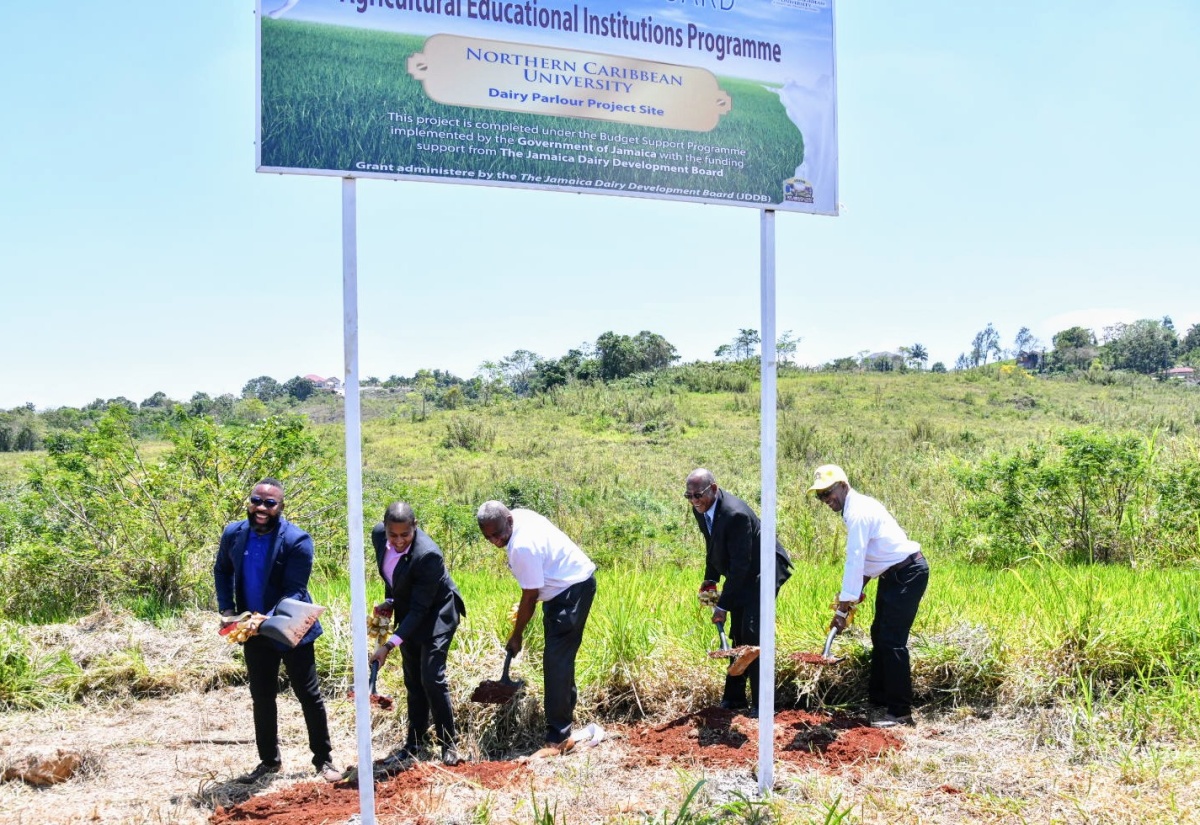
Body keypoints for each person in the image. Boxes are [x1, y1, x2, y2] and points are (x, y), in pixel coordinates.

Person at [213, 478, 342, 783]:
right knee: (262, 695)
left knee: (308, 694)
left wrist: (264, 618)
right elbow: (222, 569)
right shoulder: (234, 534)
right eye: (256, 500)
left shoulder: (297, 540)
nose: (261, 508)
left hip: (291, 628)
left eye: (270, 503)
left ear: (281, 508)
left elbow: (295, 591)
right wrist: (227, 609)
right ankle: (269, 761)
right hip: (253, 632)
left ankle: (323, 760)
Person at [808, 464, 929, 728]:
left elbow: (855, 560)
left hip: (907, 573)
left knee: (891, 639)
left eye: (828, 493)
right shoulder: (853, 509)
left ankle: (900, 712)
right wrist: (851, 598)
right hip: (892, 573)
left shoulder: (859, 513)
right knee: (879, 634)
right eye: (820, 496)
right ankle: (879, 700)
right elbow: (870, 559)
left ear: (843, 486)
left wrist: (843, 605)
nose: (826, 500)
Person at [475, 500, 597, 753]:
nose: (495, 541)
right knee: (560, 659)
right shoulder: (519, 517)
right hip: (567, 587)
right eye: (488, 537)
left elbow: (530, 596)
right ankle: (563, 718)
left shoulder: (521, 546)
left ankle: (559, 738)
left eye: (498, 533)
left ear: (509, 520)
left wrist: (516, 634)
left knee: (556, 661)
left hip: (570, 592)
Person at [686, 468, 793, 718]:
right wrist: (710, 581)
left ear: (713, 488)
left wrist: (722, 606)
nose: (694, 500)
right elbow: (712, 548)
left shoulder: (735, 514)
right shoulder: (701, 509)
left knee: (753, 633)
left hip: (764, 569)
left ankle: (762, 703)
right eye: (688, 496)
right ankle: (734, 699)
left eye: (698, 494)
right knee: (737, 632)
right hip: (743, 570)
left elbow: (741, 565)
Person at [368, 501, 466, 766]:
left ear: (415, 527)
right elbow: (394, 576)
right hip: (409, 611)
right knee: (413, 680)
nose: (398, 541)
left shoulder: (428, 554)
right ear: (385, 529)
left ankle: (449, 744)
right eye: (393, 534)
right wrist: (390, 600)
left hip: (437, 614)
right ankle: (414, 743)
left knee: (432, 677)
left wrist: (388, 646)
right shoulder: (379, 536)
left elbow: (422, 608)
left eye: (405, 535)